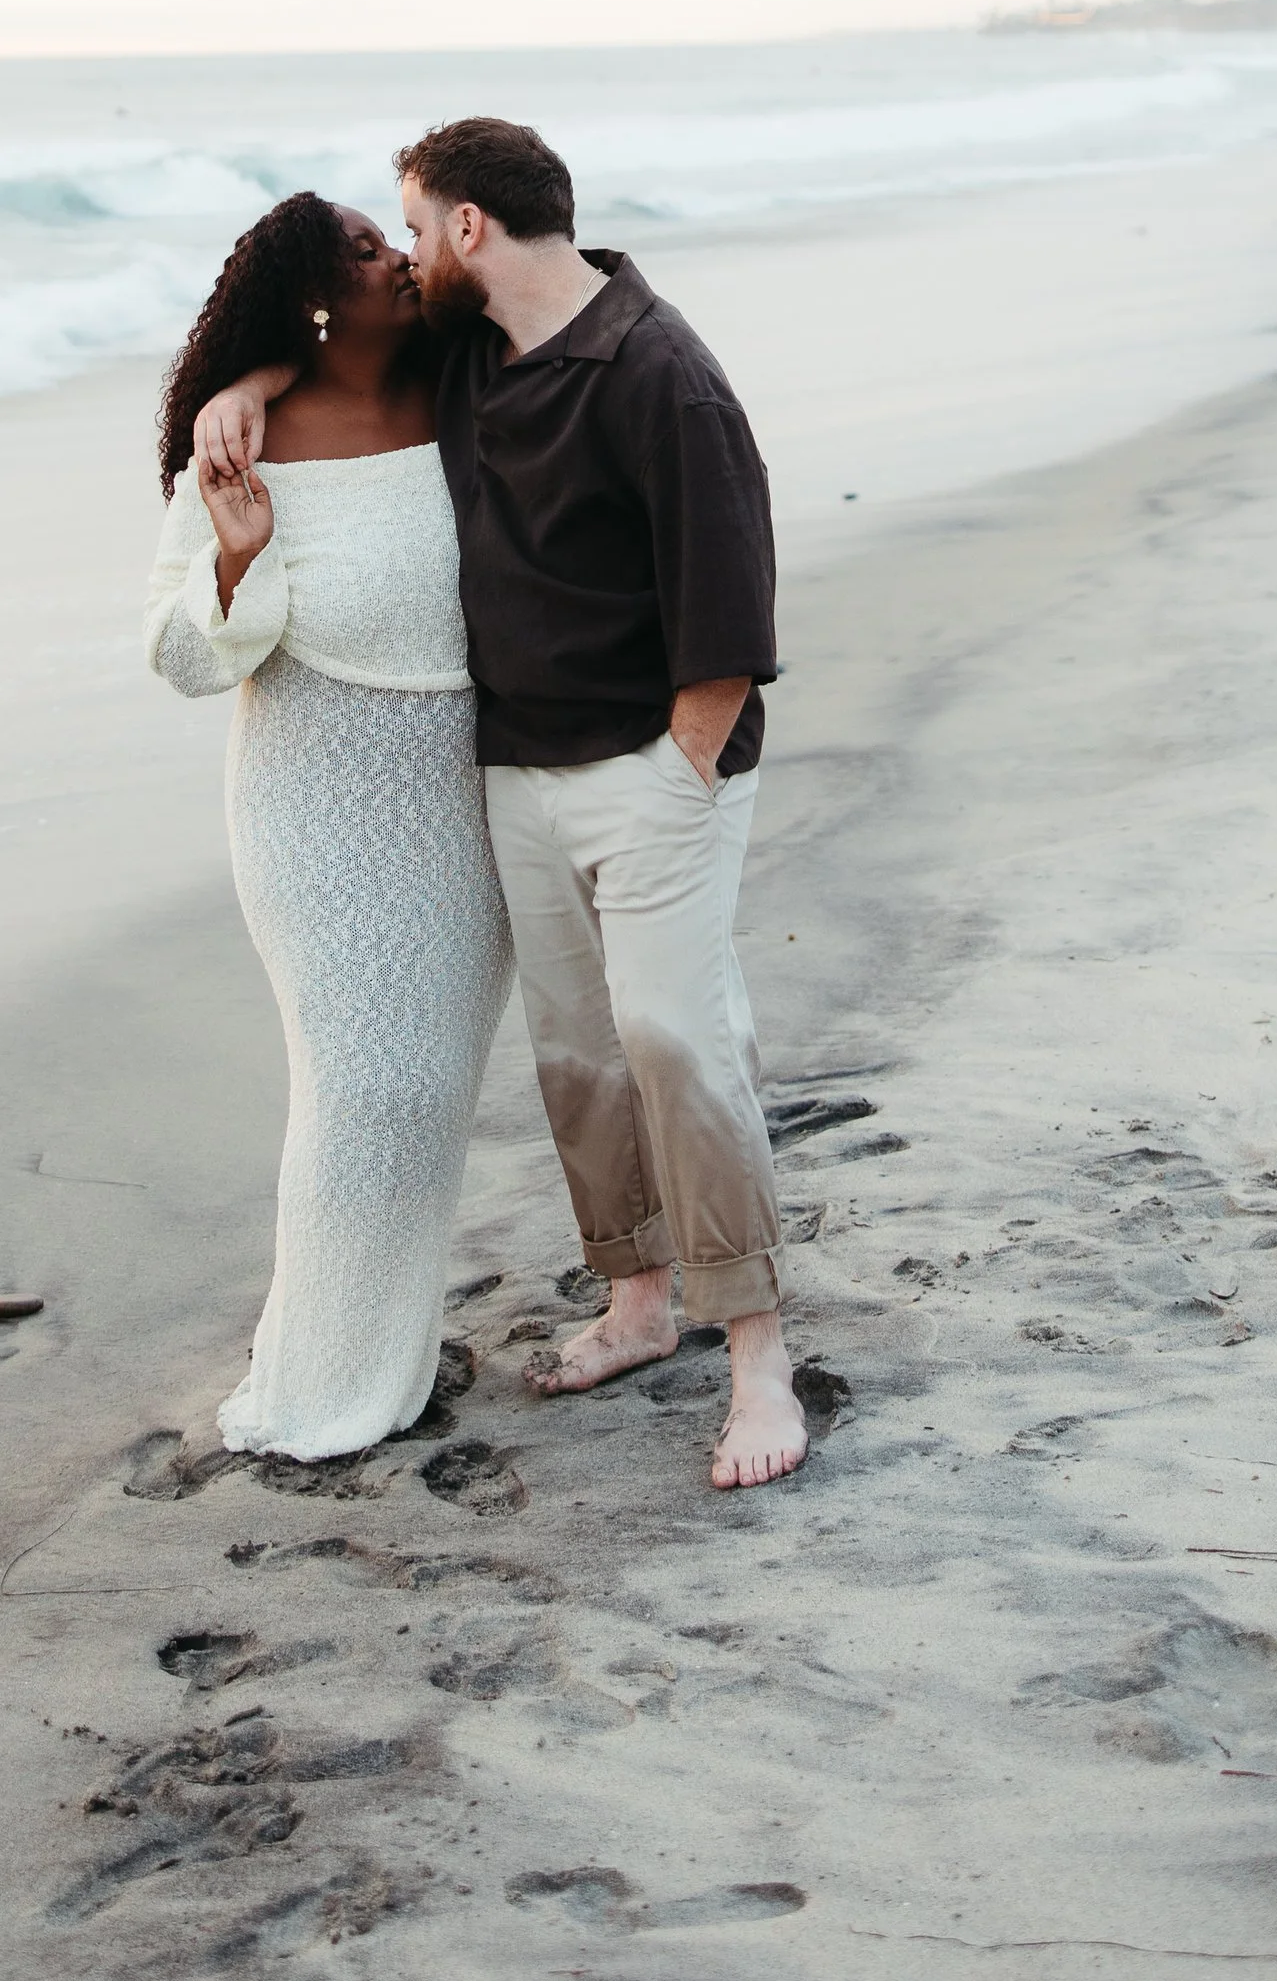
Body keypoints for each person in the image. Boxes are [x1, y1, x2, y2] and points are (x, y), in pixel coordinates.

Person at [195, 117, 804, 1491]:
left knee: (674, 1036)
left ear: (467, 229)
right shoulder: (472, 354)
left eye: (415, 229)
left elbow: (733, 598)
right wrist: (253, 371)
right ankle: (639, 1302)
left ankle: (758, 1352)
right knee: (580, 1054)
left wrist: (682, 762)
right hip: (515, 771)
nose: (406, 258)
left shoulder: (659, 370)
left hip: (653, 769)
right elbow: (334, 353)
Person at [145, 192, 512, 1460]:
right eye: (365, 253)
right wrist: (239, 555)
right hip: (314, 801)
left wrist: (250, 366)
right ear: (312, 296)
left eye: (393, 237)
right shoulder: (240, 447)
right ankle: (315, 1384)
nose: (399, 260)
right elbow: (180, 658)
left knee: (429, 1096)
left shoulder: (470, 377)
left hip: (470, 794)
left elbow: (573, 279)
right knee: (361, 1090)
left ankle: (390, 1361)